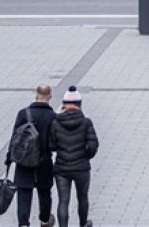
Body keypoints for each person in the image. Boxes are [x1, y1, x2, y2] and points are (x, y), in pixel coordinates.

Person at [5, 84, 57, 227]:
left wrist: (9, 159)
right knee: (45, 192)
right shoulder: (53, 116)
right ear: (50, 97)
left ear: (36, 95)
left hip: (24, 161)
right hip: (44, 160)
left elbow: (14, 138)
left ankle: (23, 223)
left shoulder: (23, 114)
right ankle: (45, 220)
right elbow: (55, 142)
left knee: (23, 195)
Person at [48, 86, 99, 227]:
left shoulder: (56, 122)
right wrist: (86, 155)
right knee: (82, 198)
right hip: (81, 169)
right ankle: (83, 224)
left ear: (64, 104)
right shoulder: (86, 122)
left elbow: (51, 145)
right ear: (79, 105)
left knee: (63, 200)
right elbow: (93, 146)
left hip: (61, 168)